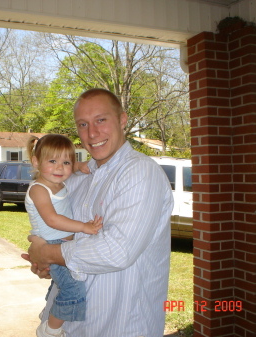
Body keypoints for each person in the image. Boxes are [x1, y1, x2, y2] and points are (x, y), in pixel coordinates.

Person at [23, 88, 174, 337]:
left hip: (119, 325)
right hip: (72, 325)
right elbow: (57, 231)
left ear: (122, 120)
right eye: (83, 124)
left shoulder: (139, 173)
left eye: (101, 120)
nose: (92, 133)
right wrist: (44, 260)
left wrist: (48, 252)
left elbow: (116, 251)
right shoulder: (76, 178)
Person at [25, 134, 103, 337]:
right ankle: (50, 330)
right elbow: (52, 219)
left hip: (59, 244)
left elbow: (70, 167)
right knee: (72, 290)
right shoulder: (39, 189)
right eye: (52, 161)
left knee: (61, 285)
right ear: (36, 162)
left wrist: (78, 166)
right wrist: (84, 227)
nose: (60, 168)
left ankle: (49, 316)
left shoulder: (57, 183)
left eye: (66, 162)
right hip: (52, 243)